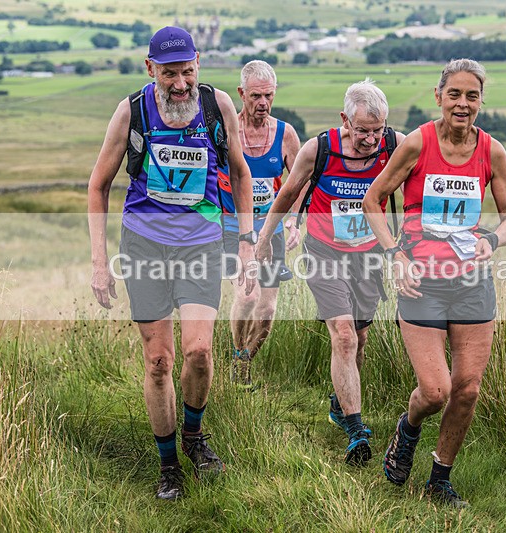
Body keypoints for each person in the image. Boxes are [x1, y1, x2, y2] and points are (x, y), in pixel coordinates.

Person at [87, 26, 256, 501]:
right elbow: (97, 185)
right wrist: (100, 263)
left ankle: (194, 435)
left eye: (186, 72)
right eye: (168, 74)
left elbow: (241, 174)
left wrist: (246, 242)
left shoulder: (216, 106)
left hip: (201, 246)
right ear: (150, 69)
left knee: (199, 352)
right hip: (144, 248)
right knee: (159, 361)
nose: (179, 84)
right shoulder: (132, 111)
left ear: (197, 64)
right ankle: (168, 467)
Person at [362, 58, 506, 507]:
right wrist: (395, 255)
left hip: (472, 282)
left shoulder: (492, 152)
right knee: (436, 391)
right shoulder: (417, 144)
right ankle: (407, 429)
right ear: (439, 97)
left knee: (467, 388)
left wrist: (492, 238)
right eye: (455, 94)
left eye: (472, 96)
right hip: (421, 282)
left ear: (481, 101)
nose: (463, 104)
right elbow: (374, 199)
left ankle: (439, 480)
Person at [256, 80, 405, 465]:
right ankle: (356, 431)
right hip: (324, 252)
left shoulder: (396, 144)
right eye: (363, 131)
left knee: (359, 336)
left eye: (378, 130)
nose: (371, 140)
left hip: (369, 255)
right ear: (344, 120)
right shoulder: (318, 149)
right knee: (342, 335)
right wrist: (263, 238)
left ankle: (340, 404)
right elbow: (287, 194)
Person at [217, 60, 301, 389]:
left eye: (268, 95)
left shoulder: (286, 134)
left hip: (272, 230)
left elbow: (298, 182)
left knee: (266, 314)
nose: (262, 103)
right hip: (234, 229)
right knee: (247, 297)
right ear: (241, 94)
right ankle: (238, 356)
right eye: (255, 96)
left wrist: (293, 221)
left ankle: (246, 359)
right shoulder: (226, 133)